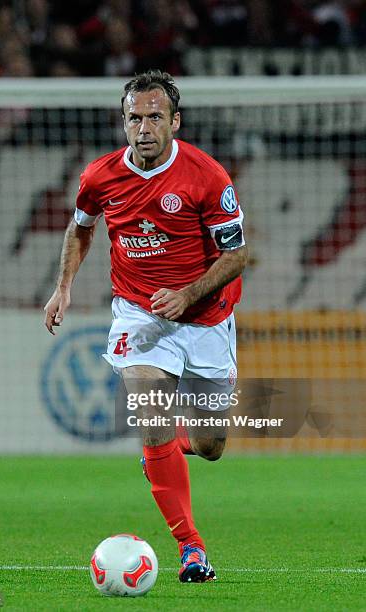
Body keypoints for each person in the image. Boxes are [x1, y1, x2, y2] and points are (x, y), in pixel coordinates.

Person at [44, 69, 248, 583]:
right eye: (134, 117)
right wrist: (63, 285)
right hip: (138, 312)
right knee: (150, 411)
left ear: (175, 122)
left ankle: (167, 453)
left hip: (206, 317)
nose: (143, 127)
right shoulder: (100, 177)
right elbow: (80, 227)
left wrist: (187, 294)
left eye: (154, 116)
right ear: (123, 122)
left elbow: (236, 254)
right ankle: (191, 548)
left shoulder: (207, 177)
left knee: (211, 446)